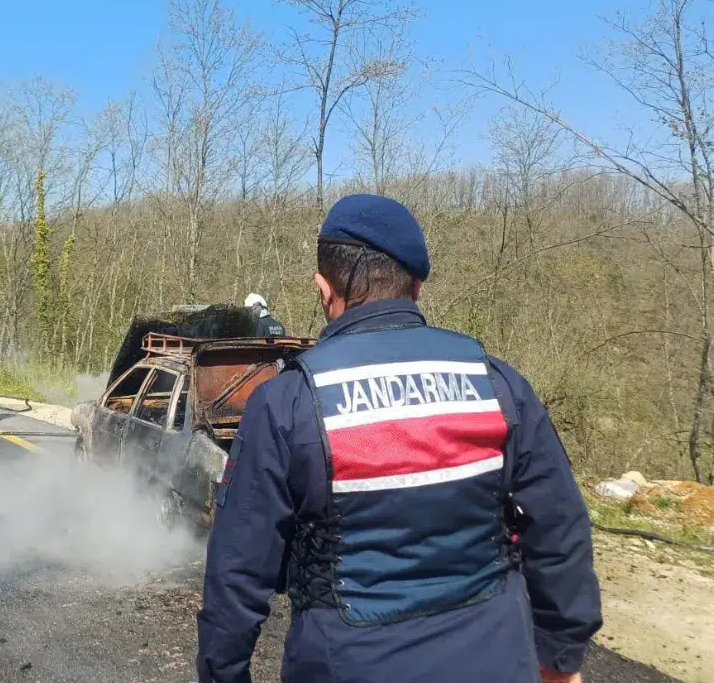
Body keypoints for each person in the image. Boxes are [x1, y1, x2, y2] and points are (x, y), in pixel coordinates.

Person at [197, 193, 602, 683]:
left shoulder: (287, 402)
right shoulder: (496, 383)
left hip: (347, 665)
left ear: (324, 289)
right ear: (416, 285)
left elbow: (237, 571)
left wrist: (223, 673)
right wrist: (561, 654)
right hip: (497, 659)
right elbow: (559, 527)